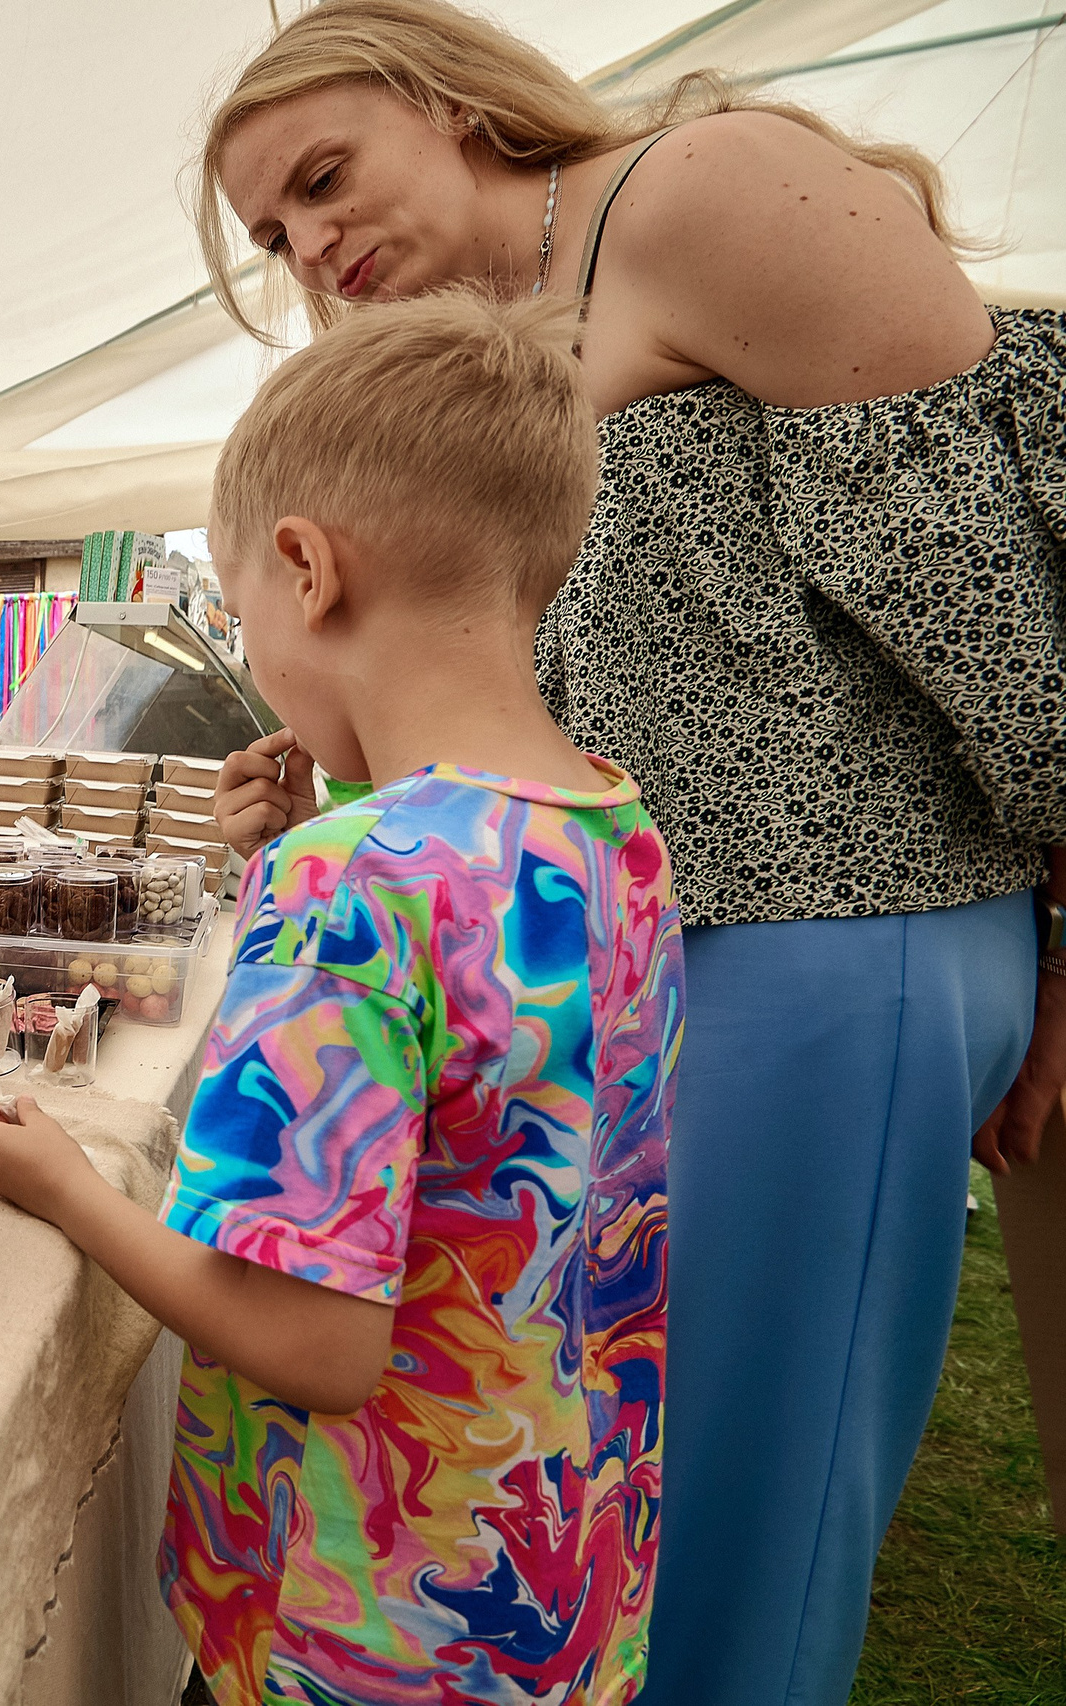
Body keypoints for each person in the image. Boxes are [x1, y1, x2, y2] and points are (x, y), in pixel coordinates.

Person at [193, 5, 1065, 1699]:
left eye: (322, 177)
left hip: (832, 942)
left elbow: (1007, 605)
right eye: (276, 235)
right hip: (657, 954)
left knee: (744, 1515)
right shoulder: (483, 355)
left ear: (454, 103)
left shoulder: (700, 190)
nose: (311, 245)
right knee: (612, 1486)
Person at [0, 288, 679, 1704]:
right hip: (551, 1591)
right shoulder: (612, 832)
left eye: (243, 616)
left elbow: (312, 1335)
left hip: (350, 1630)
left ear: (307, 568)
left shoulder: (352, 882)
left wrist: (66, 1188)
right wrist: (339, 809)